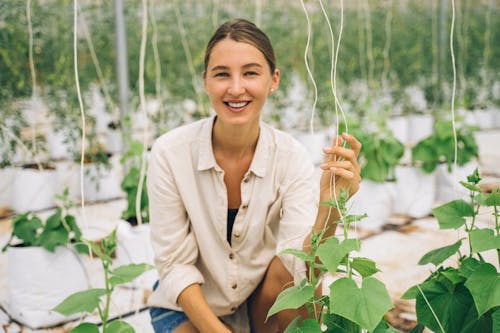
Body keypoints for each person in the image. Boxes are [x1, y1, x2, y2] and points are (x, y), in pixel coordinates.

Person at [147, 18, 361, 333]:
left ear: (273, 81)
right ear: (205, 81)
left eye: (250, 73)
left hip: (259, 301)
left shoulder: (291, 157)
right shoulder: (170, 153)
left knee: (294, 274)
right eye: (222, 74)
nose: (236, 88)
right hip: (190, 308)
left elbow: (303, 267)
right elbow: (175, 266)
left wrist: (330, 208)